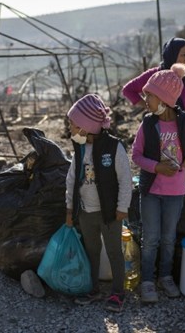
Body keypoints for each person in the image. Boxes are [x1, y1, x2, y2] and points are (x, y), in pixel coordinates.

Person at [131, 64, 185, 303]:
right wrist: (156, 167)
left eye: (149, 95)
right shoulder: (147, 124)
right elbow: (136, 155)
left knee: (168, 238)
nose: (145, 100)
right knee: (151, 238)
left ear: (164, 99)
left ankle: (165, 277)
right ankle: (147, 280)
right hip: (150, 192)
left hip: (175, 192)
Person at [65, 94, 133, 312]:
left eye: (73, 124)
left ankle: (117, 292)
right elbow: (72, 179)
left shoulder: (114, 148)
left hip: (110, 213)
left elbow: (125, 179)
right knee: (91, 250)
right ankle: (93, 288)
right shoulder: (79, 147)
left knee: (114, 251)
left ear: (86, 126)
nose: (70, 128)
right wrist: (70, 208)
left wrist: (123, 207)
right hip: (86, 212)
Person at [122, 37, 185, 122]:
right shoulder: (156, 76)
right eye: (183, 55)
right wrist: (150, 106)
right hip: (161, 130)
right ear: (172, 54)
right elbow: (128, 90)